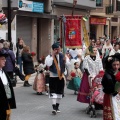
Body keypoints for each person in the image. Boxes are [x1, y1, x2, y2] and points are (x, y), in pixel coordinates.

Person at [45, 43, 65, 115]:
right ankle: (54, 108)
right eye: (56, 49)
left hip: (60, 76)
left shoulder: (62, 55)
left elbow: (67, 64)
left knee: (59, 92)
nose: (58, 50)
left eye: (59, 49)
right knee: (53, 92)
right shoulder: (49, 57)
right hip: (53, 76)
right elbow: (48, 64)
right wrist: (52, 56)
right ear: (53, 50)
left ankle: (57, 106)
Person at [102, 53, 120, 120]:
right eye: (114, 65)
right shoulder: (108, 74)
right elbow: (105, 86)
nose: (116, 67)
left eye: (118, 64)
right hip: (111, 96)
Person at [0, 49, 16, 120]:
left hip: (7, 102)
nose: (5, 60)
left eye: (5, 59)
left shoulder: (4, 72)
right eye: (2, 59)